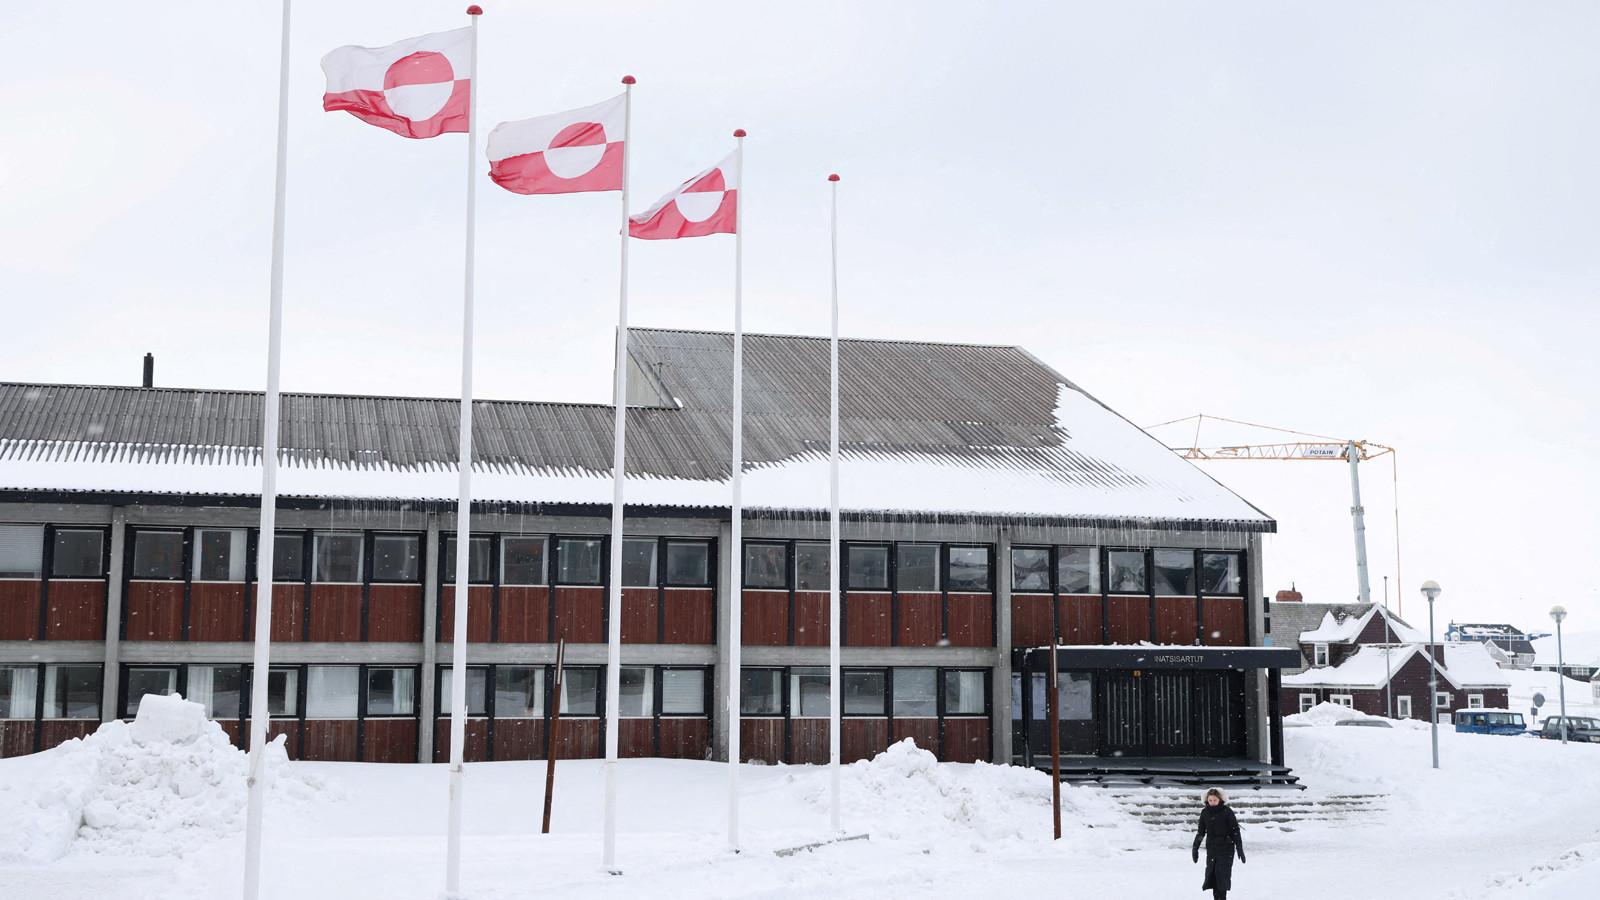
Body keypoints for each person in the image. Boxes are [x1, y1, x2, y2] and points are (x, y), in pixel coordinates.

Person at [1192, 787, 1245, 899]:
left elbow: (1235, 831)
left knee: (1222, 879)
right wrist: (1195, 848)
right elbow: (1201, 832)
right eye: (1210, 800)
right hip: (1212, 850)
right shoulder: (1205, 812)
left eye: (1214, 800)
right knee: (1213, 879)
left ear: (1220, 799)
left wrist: (1239, 848)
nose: (1212, 803)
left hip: (1226, 849)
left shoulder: (1227, 812)